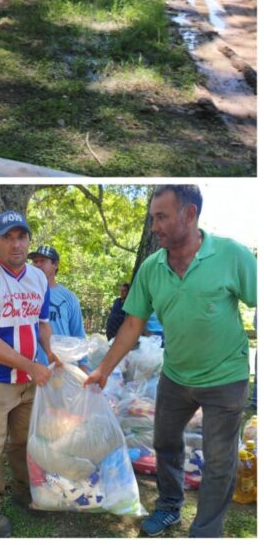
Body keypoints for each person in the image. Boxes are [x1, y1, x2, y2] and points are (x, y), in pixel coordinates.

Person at [84, 185, 257, 538]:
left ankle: (206, 530)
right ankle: (169, 507)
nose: (154, 226)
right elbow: (133, 323)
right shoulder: (152, 267)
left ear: (189, 214)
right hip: (175, 376)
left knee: (220, 458)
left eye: (161, 217)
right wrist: (104, 369)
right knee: (165, 442)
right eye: (153, 218)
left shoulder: (232, 256)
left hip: (226, 377)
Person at [0, 209, 57, 537]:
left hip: (28, 380)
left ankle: (23, 490)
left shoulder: (38, 278)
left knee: (24, 441)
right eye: (8, 237)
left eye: (22, 237)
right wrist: (31, 365)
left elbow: (42, 323)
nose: (16, 244)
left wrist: (52, 351)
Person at [25, 245, 84, 348]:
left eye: (42, 261)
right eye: (35, 261)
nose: (38, 265)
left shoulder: (69, 297)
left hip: (59, 361)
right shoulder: (23, 293)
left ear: (55, 264)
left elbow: (78, 333)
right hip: (30, 362)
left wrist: (83, 363)